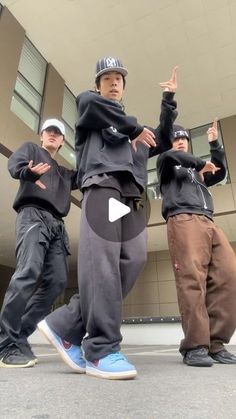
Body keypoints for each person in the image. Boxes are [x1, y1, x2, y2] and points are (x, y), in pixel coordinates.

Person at [38, 57, 178, 380]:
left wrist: (168, 102)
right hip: (102, 187)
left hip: (131, 198)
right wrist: (134, 128)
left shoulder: (138, 134)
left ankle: (66, 323)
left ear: (124, 86)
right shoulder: (93, 112)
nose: (114, 83)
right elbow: (85, 102)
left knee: (134, 258)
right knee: (101, 263)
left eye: (119, 78)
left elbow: (165, 139)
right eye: (107, 78)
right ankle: (101, 348)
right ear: (98, 84)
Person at [157, 119, 236, 367]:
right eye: (175, 138)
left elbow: (220, 172)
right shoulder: (167, 164)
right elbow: (170, 157)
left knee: (229, 275)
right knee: (192, 279)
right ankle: (195, 346)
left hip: (209, 222)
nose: (180, 141)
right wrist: (201, 163)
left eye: (184, 138)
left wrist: (214, 145)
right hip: (182, 219)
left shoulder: (197, 174)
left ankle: (216, 344)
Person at [0, 119, 78, 368]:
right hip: (33, 214)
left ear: (63, 141)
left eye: (58, 133)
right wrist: (28, 173)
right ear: (41, 135)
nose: (53, 135)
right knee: (28, 272)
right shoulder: (31, 151)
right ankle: (5, 343)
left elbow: (89, 174)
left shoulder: (65, 173)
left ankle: (19, 335)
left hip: (57, 224)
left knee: (57, 281)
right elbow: (15, 165)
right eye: (49, 131)